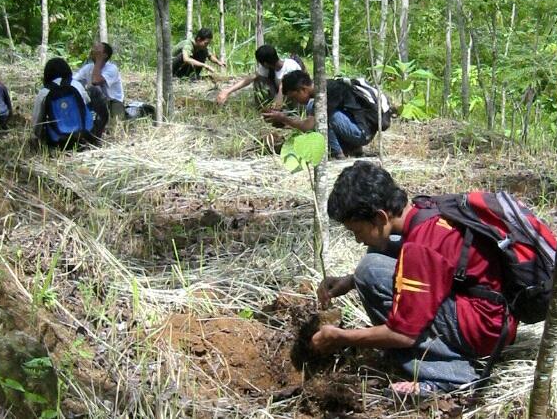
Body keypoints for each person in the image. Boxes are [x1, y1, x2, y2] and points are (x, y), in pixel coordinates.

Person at [310, 161, 517, 400]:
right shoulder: (425, 209)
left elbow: (402, 334)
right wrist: (350, 280)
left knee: (369, 270)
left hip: (485, 328)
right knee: (371, 263)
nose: (358, 240)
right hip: (496, 315)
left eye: (357, 231)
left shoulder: (420, 246)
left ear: (379, 217)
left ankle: (451, 375)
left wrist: (341, 337)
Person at [263, 70, 373, 159]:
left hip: (362, 133)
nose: (295, 101)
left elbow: (308, 126)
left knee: (324, 117)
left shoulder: (325, 93)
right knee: (317, 112)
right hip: (356, 128)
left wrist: (284, 119)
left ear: (303, 89)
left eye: (294, 97)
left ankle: (337, 154)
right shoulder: (321, 92)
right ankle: (352, 150)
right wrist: (283, 122)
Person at [31, 57, 104, 144]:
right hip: (83, 135)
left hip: (58, 140)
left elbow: (37, 120)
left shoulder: (44, 92)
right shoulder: (76, 85)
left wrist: (39, 137)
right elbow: (88, 106)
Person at [215, 44, 303, 109]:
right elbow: (250, 78)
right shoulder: (268, 67)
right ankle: (263, 108)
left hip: (295, 97)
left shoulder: (290, 67)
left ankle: (285, 111)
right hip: (279, 94)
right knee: (258, 80)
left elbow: (283, 88)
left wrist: (277, 107)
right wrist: (227, 91)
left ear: (265, 63)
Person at [73, 42, 125, 119]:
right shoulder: (88, 68)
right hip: (95, 101)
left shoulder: (112, 68)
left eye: (97, 50)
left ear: (105, 55)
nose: (93, 51)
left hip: (113, 101)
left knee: (116, 123)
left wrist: (99, 61)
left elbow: (95, 81)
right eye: (93, 49)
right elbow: (73, 81)